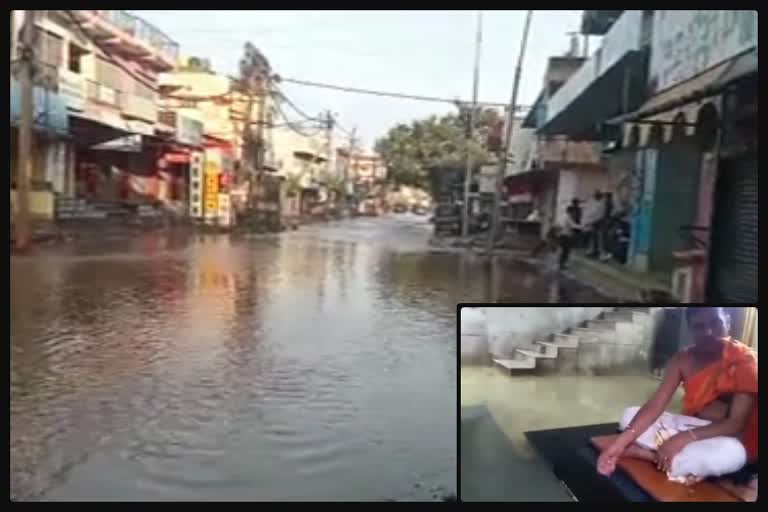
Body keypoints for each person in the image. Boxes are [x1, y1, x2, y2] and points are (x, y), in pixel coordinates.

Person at [597, 307, 758, 484]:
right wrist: (619, 444)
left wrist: (680, 439)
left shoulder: (745, 362)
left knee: (734, 455)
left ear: (727, 322)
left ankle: (648, 454)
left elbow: (735, 424)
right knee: (629, 416)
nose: (709, 332)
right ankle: (683, 465)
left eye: (715, 323)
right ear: (690, 330)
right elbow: (656, 405)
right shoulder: (682, 359)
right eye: (700, 327)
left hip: (727, 437)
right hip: (692, 428)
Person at [558, 202, 583, 270]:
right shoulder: (568, 217)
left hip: (563, 235)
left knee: (564, 251)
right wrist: (582, 226)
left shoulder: (564, 216)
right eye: (573, 211)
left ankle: (561, 264)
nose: (574, 213)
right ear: (570, 211)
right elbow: (573, 225)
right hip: (566, 236)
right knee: (566, 251)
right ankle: (562, 264)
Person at [585, 190, 604, 257]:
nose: (596, 196)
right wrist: (589, 221)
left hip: (599, 223)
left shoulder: (601, 204)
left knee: (599, 238)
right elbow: (591, 213)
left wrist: (591, 221)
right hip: (593, 222)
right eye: (596, 195)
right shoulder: (593, 203)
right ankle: (591, 251)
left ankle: (600, 252)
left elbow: (600, 215)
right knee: (592, 238)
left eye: (597, 195)